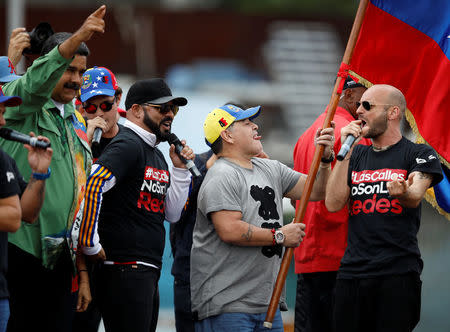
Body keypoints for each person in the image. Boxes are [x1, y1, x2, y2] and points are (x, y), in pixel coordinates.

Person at [0, 6, 106, 332]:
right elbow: (33, 84)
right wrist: (79, 37)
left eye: (80, 72)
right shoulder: (21, 104)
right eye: (67, 69)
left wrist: (81, 271)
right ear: (46, 69)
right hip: (21, 251)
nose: (75, 79)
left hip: (60, 257)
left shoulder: (75, 119)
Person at [190, 104, 335, 332]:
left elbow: (318, 190)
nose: (255, 126)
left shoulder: (271, 168)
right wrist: (280, 235)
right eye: (246, 123)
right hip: (227, 305)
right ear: (227, 135)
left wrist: (325, 160)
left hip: (268, 305)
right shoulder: (221, 174)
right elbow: (230, 230)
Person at [78, 78, 194, 332]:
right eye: (162, 108)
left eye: (173, 109)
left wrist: (180, 170)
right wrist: (89, 243)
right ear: (137, 110)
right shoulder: (128, 143)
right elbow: (94, 183)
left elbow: (172, 214)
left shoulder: (157, 153)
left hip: (144, 270)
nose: (170, 115)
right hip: (123, 270)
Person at [325, 84, 443, 332]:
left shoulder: (419, 153)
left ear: (393, 113)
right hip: (352, 274)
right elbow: (333, 203)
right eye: (358, 105)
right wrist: (344, 153)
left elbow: (414, 196)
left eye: (367, 106)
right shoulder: (355, 156)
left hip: (396, 274)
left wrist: (402, 192)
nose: (358, 111)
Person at [292, 77, 370, 332]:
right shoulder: (355, 135)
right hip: (342, 254)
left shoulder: (306, 135)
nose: (366, 108)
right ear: (348, 96)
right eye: (365, 99)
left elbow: (296, 199)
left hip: (309, 253)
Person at [0, 87, 52, 332]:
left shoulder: (3, 159)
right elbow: (11, 217)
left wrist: (39, 172)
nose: (2, 121)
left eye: (3, 113)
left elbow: (25, 214)